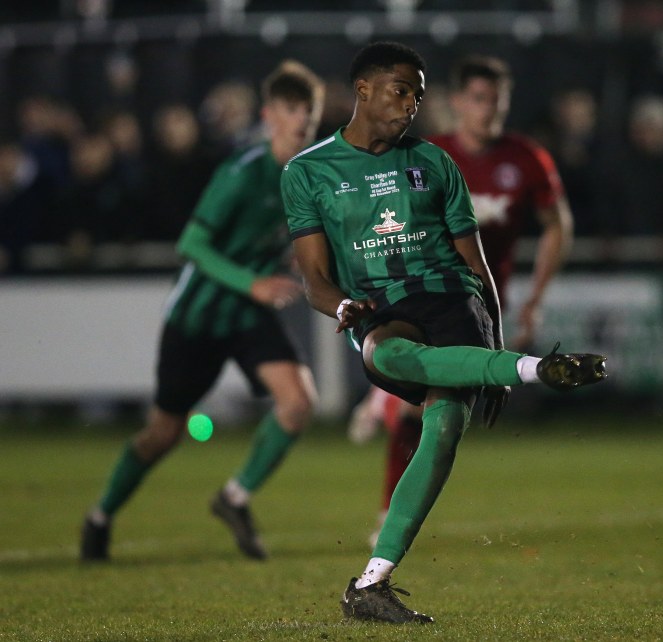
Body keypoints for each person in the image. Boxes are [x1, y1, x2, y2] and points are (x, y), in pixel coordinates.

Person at [281, 41, 605, 624]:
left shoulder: (434, 162)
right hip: (379, 306)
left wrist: (495, 344)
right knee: (387, 355)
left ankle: (371, 583)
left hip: (453, 299)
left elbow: (477, 268)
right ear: (363, 90)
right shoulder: (308, 171)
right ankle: (537, 369)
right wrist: (342, 307)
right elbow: (313, 279)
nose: (411, 105)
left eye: (418, 95)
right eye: (401, 91)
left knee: (446, 421)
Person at [80, 59, 325, 562]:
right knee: (163, 434)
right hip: (198, 317)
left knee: (299, 402)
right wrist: (250, 281)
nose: (302, 119)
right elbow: (191, 242)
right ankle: (100, 514)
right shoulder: (242, 173)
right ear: (269, 115)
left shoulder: (308, 178)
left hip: (247, 315)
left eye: (310, 110)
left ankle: (234, 498)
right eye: (292, 109)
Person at [348, 54, 575, 546]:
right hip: (421, 296)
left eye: (497, 100)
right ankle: (388, 509)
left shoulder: (525, 157)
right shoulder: (429, 156)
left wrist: (534, 298)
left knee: (440, 410)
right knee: (420, 408)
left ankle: (379, 404)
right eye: (478, 98)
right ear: (457, 103)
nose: (488, 109)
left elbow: (559, 224)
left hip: (476, 300)